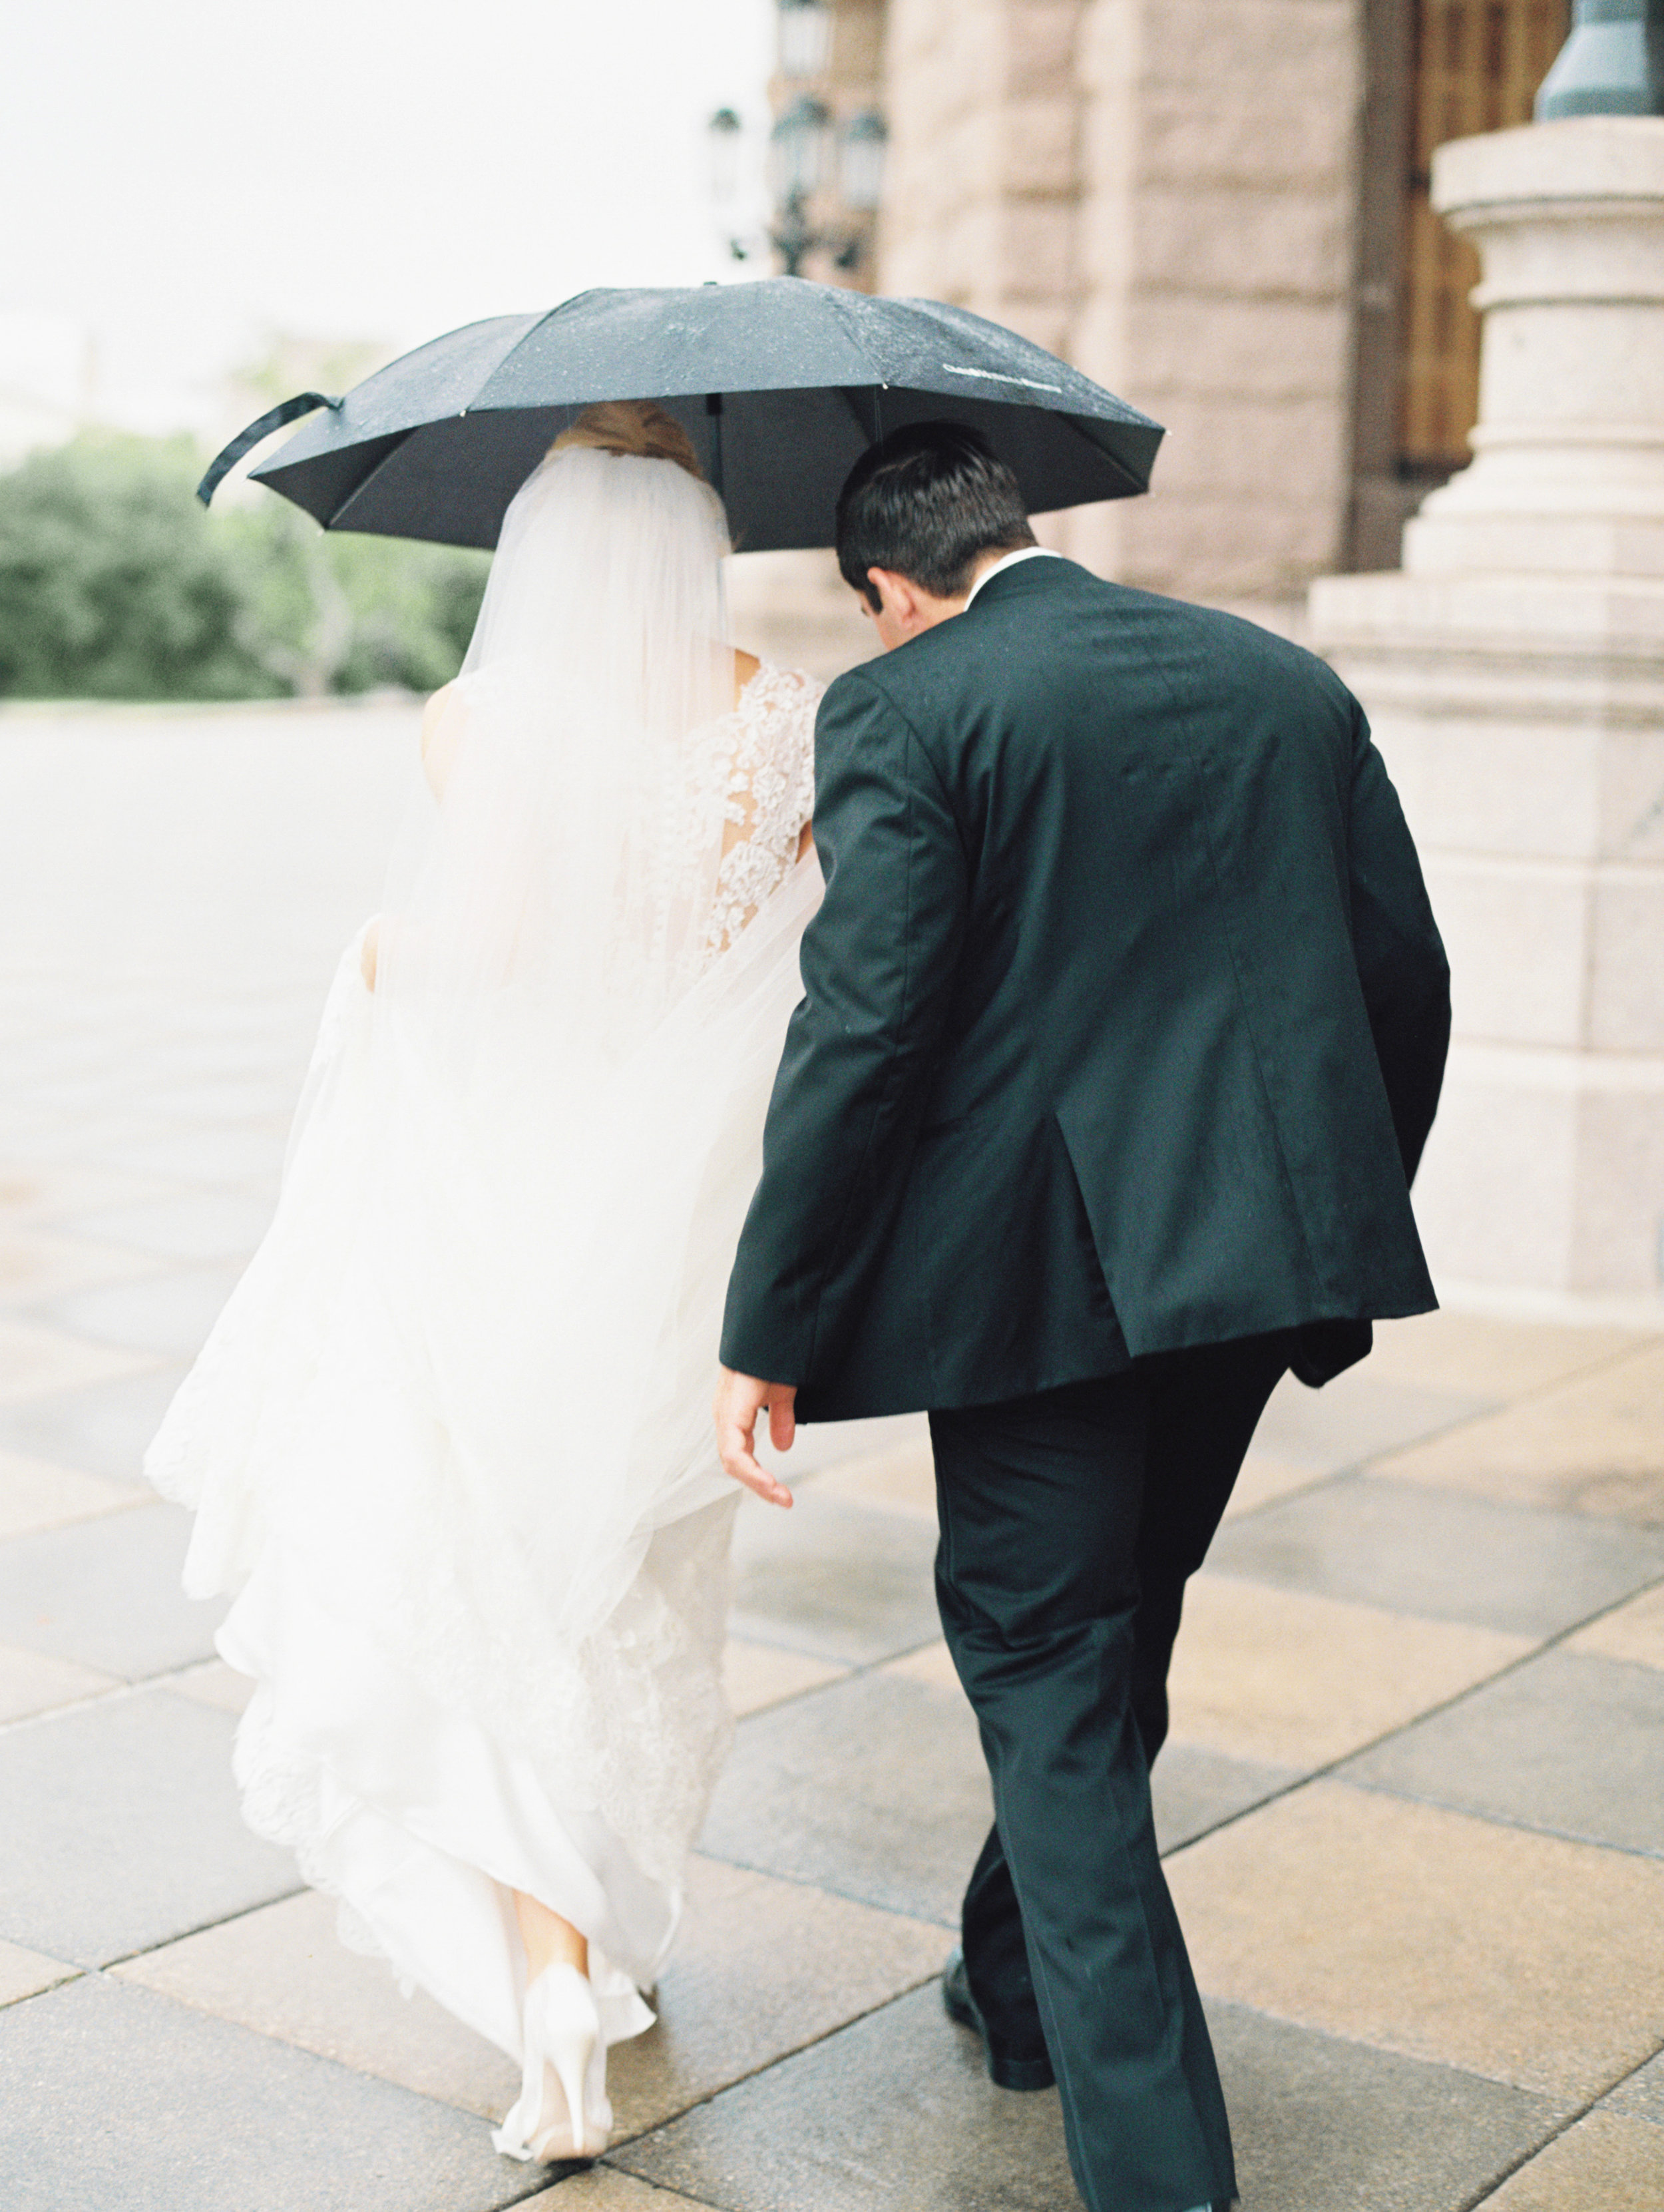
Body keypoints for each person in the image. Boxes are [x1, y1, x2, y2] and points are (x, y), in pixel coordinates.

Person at [714, 420, 1450, 2212]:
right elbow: (1402, 976)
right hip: (1258, 1257)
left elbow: (866, 1028)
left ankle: (1159, 2176)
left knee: (1046, 1673)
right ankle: (1015, 1978)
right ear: (1010, 527)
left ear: (891, 585)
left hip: (1034, 1283)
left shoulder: (906, 704)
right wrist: (1326, 1214)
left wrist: (771, 1318)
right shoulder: (1279, 677)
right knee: (1107, 1635)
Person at [147, 401, 825, 2164]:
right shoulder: (778, 713)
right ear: (696, 539)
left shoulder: (489, 718)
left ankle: (549, 1997)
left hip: (510, 1197)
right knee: (642, 1579)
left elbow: (493, 947)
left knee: (499, 1571)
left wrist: (377, 946)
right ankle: (605, 1925)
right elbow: (797, 959)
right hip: (694, 1215)